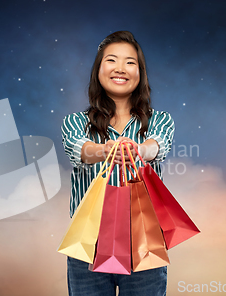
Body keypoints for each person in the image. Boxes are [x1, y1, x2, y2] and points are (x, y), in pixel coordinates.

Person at [61, 31, 175, 296]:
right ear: (98, 70)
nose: (121, 69)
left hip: (144, 244)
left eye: (130, 62)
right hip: (89, 246)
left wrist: (139, 150)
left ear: (140, 72)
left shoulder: (160, 119)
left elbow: (158, 146)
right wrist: (103, 150)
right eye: (111, 60)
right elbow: (78, 149)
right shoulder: (75, 122)